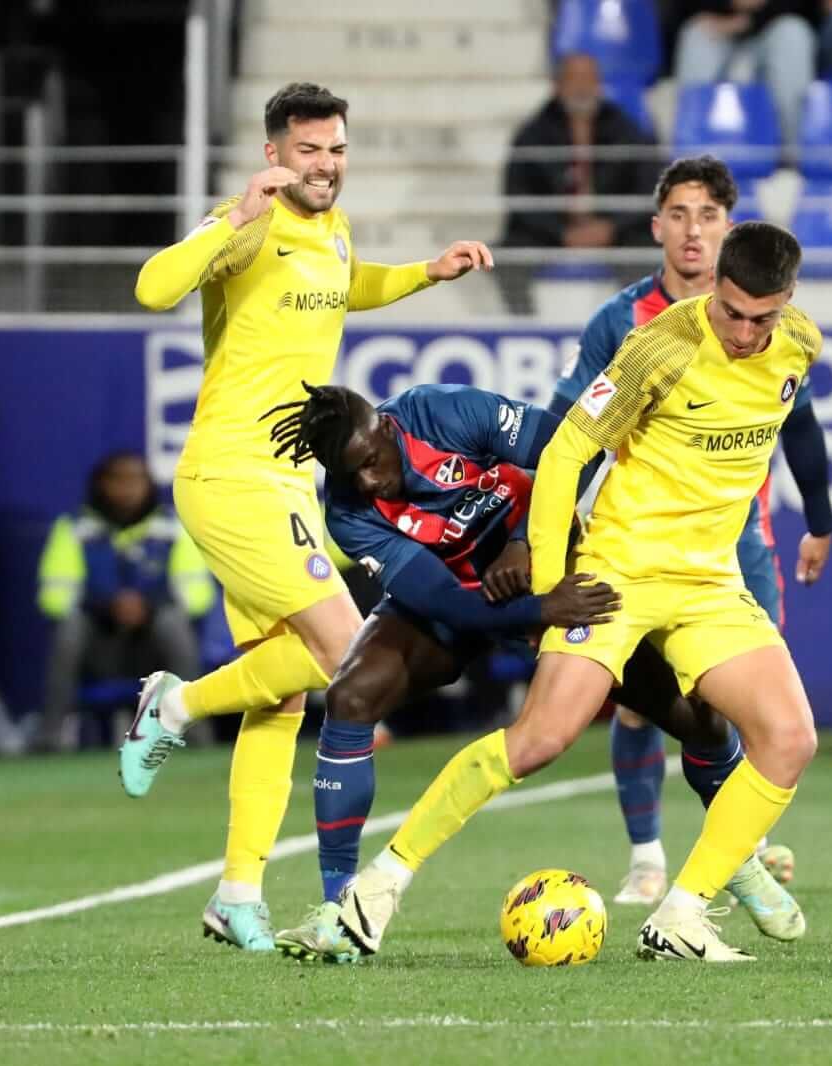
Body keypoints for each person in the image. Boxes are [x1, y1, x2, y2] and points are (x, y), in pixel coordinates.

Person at [333, 222, 822, 963]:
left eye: (764, 317)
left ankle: (682, 914)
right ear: (715, 287)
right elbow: (564, 453)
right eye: (732, 312)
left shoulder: (801, 345)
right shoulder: (658, 350)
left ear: (788, 304)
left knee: (788, 739)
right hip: (618, 572)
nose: (746, 333)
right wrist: (549, 571)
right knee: (541, 741)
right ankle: (377, 887)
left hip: (709, 581)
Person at [124, 82, 492, 951]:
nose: (325, 166)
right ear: (273, 155)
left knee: (283, 696)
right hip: (232, 474)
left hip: (289, 484)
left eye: (336, 151)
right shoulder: (244, 225)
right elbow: (150, 288)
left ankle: (238, 893)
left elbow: (342, 287)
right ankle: (175, 709)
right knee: (347, 653)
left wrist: (422, 276)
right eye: (308, 152)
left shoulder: (332, 227)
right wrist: (228, 222)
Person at [259, 382, 804, 962]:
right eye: (349, 473)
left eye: (371, 461)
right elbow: (442, 601)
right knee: (350, 694)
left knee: (698, 721)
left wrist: (526, 547)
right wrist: (536, 611)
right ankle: (339, 908)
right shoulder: (347, 513)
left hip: (554, 568)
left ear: (384, 429)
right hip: (475, 599)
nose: (368, 480)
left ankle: (738, 864)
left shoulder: (442, 413)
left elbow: (572, 448)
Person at [550, 155, 832, 907]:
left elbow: (799, 421)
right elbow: (567, 428)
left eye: (707, 216)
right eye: (678, 214)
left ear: (730, 230)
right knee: (641, 702)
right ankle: (647, 856)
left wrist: (821, 518)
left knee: (740, 706)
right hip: (642, 540)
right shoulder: (623, 323)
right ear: (657, 227)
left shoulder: (781, 331)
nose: (691, 231)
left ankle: (738, 851)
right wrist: (552, 539)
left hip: (739, 542)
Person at [35, 452, 214, 752]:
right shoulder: (74, 529)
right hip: (99, 648)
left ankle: (194, 732)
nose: (128, 488)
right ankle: (51, 735)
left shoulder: (172, 528)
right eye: (118, 480)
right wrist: (107, 607)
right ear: (100, 484)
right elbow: (54, 598)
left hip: (152, 649)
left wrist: (148, 606)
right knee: (70, 628)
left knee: (174, 623)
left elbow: (197, 597)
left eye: (136, 480)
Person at [498, 52, 660, 315]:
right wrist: (561, 232)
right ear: (558, 85)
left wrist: (610, 226)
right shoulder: (533, 132)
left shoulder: (625, 129)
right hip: (551, 231)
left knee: (647, 254)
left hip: (616, 229)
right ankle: (524, 326)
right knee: (506, 257)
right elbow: (517, 196)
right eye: (574, 79)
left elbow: (648, 189)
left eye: (589, 79)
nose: (583, 87)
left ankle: (637, 333)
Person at [671, 1, 818, 154]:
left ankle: (793, 155)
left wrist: (748, 21)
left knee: (793, 32)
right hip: (718, 28)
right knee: (696, 34)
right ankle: (692, 155)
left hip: (771, 27)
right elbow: (684, 9)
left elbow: (803, 8)